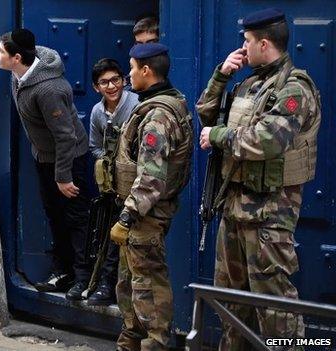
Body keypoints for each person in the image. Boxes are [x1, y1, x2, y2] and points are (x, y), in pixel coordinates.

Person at [0, 1, 91, 300]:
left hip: (69, 161)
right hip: (45, 159)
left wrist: (63, 177)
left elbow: (65, 137)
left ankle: (83, 278)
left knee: (76, 219)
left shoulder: (48, 89)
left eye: (1, 53)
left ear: (16, 58)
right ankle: (62, 272)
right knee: (54, 215)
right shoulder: (21, 64)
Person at [196, 8, 320, 350]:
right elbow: (207, 112)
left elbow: (268, 139)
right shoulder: (250, 83)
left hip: (269, 215)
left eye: (247, 42)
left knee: (275, 305)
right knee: (231, 302)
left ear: (264, 43)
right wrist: (221, 76)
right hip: (234, 207)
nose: (243, 49)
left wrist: (218, 136)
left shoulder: (295, 89)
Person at [109, 43, 193, 351]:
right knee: (130, 284)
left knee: (148, 286)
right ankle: (130, 343)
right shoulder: (165, 103)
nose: (128, 74)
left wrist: (127, 216)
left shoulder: (158, 116)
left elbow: (151, 178)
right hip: (139, 216)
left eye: (131, 68)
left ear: (146, 71)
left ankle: (154, 345)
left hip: (144, 216)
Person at [87, 58, 138, 306]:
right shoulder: (98, 112)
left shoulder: (137, 105)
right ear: (96, 87)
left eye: (115, 80)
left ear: (124, 81)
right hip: (111, 186)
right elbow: (94, 146)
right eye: (104, 82)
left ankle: (118, 288)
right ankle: (106, 284)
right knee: (110, 235)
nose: (111, 86)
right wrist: (107, 164)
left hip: (136, 184)